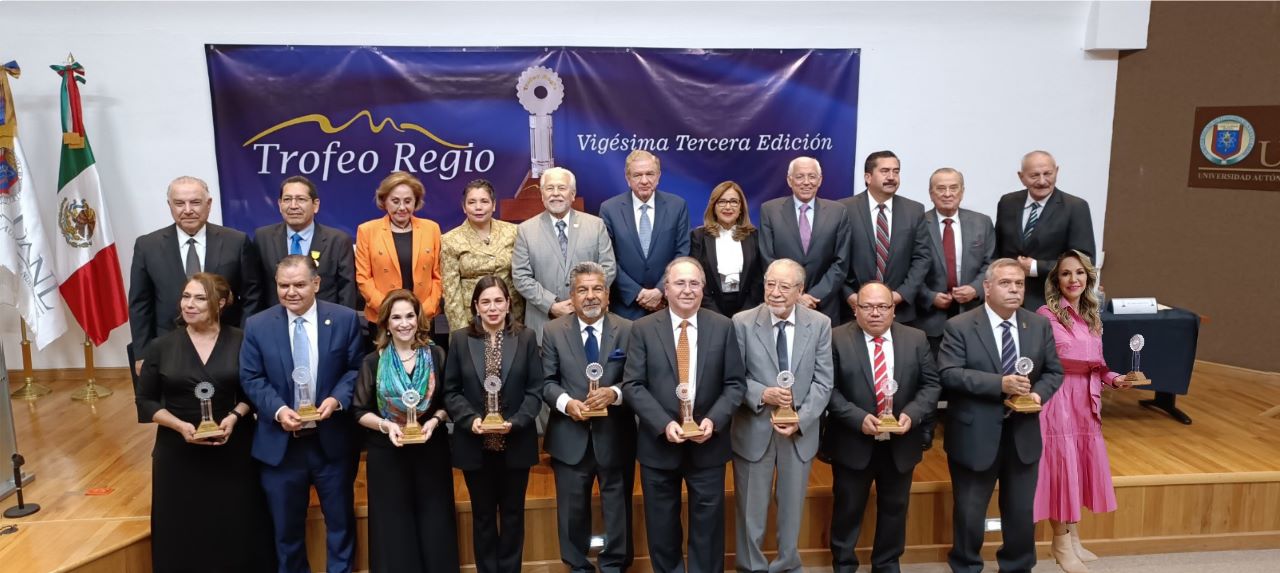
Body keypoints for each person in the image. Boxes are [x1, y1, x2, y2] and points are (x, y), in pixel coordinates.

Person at [135, 273, 275, 573]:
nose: (189, 304)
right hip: (178, 453)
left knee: (237, 523)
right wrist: (180, 426)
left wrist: (234, 417)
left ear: (220, 303)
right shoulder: (161, 346)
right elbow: (145, 401)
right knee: (183, 528)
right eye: (186, 297)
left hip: (233, 447)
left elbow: (254, 392)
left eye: (200, 298)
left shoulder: (242, 340)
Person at [240, 255, 365, 573]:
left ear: (316, 284)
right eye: (283, 285)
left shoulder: (344, 319)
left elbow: (355, 369)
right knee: (287, 533)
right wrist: (279, 410)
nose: (291, 292)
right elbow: (251, 377)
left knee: (340, 525)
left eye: (299, 284)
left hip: (331, 444)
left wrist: (336, 400)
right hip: (281, 447)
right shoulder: (257, 325)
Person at [939, 258, 1065, 573]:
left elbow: (1054, 371)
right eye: (1005, 283)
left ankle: (1017, 566)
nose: (1014, 290)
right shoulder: (960, 326)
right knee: (970, 512)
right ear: (987, 287)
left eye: (1019, 284)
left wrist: (1038, 395)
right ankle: (966, 566)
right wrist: (1000, 384)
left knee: (1021, 511)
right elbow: (949, 373)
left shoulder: (1038, 325)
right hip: (975, 434)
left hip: (1022, 433)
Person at [622, 257, 745, 573]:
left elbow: (735, 384)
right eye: (680, 283)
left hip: (708, 444)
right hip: (659, 445)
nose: (687, 290)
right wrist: (663, 424)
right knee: (662, 527)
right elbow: (633, 385)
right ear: (666, 288)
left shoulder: (723, 326)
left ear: (703, 288)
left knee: (709, 528)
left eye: (694, 283)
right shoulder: (643, 329)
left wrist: (714, 420)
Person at [823, 281, 940, 573]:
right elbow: (828, 389)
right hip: (853, 441)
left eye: (882, 306)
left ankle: (887, 564)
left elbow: (930, 385)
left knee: (895, 508)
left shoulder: (916, 338)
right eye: (867, 306)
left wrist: (912, 414)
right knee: (847, 508)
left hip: (901, 441)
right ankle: (844, 564)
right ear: (856, 309)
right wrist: (857, 418)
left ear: (893, 309)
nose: (875, 313)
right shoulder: (836, 338)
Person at [729, 259, 833, 573]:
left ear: (800, 290)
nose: (774, 292)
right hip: (754, 428)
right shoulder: (742, 322)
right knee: (751, 509)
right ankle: (751, 567)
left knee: (791, 507)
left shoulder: (820, 324)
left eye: (784, 287)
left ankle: (788, 564)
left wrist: (801, 418)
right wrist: (763, 394)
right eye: (770, 284)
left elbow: (824, 381)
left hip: (798, 432)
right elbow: (734, 378)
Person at [1035, 250, 1131, 573]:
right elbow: (1054, 360)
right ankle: (1060, 543)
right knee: (1061, 470)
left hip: (1085, 402)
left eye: (1079, 273)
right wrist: (1093, 366)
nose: (1073, 279)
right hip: (1057, 398)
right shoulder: (1046, 315)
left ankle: (1073, 537)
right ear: (1056, 280)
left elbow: (1098, 365)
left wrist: (1116, 379)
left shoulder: (1092, 316)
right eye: (1066, 273)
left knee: (1076, 467)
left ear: (1088, 277)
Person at [351, 289, 459, 573]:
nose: (404, 323)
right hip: (388, 453)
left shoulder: (436, 354)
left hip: (431, 450)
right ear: (386, 323)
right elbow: (359, 411)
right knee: (394, 530)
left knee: (436, 525)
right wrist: (387, 426)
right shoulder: (373, 361)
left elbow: (448, 402)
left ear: (418, 318)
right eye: (396, 317)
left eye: (410, 316)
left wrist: (434, 422)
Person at [443, 276, 544, 573]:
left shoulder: (526, 338)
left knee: (513, 515)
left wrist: (515, 423)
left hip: (516, 442)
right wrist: (470, 420)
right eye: (485, 302)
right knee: (483, 517)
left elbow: (535, 391)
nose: (492, 308)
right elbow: (451, 391)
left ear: (508, 303)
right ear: (475, 306)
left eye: (498, 301)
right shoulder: (460, 339)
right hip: (475, 444)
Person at [541, 262, 636, 573]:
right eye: (582, 290)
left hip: (615, 435)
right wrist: (567, 403)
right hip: (570, 436)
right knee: (572, 512)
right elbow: (546, 382)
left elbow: (637, 380)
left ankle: (614, 566)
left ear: (608, 295)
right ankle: (578, 567)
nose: (590, 296)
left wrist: (614, 393)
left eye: (597, 289)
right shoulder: (553, 331)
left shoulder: (629, 329)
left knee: (618, 508)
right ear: (572, 296)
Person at [130, 175, 262, 378]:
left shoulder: (236, 241)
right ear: (169, 205)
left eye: (195, 202)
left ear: (208, 204)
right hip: (168, 345)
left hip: (225, 344)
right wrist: (142, 353)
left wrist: (244, 340)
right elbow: (140, 303)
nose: (188, 210)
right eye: (179, 203)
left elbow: (252, 295)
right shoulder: (147, 245)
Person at [913, 167, 995, 449]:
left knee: (969, 373)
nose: (947, 194)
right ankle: (926, 426)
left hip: (971, 313)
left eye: (953, 188)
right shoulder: (917, 223)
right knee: (929, 375)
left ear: (962, 190)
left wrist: (975, 288)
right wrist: (928, 296)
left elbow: (990, 264)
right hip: (930, 315)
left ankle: (964, 427)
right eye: (941, 188)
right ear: (930, 193)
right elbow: (908, 268)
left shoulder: (982, 222)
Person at [512, 166, 617, 343]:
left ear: (573, 194)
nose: (555, 193)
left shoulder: (596, 225)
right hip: (544, 324)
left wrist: (583, 299)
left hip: (590, 319)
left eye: (562, 188)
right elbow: (521, 276)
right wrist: (551, 305)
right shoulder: (525, 230)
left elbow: (608, 268)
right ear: (542, 195)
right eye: (549, 188)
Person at [994, 151, 1096, 310]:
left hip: (1050, 303)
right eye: (1034, 175)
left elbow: (1084, 261)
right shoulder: (1007, 203)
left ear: (1057, 171)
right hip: (1006, 301)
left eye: (1047, 174)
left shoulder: (1075, 207)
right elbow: (997, 249)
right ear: (1021, 177)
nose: (1042, 181)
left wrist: (1036, 267)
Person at [840, 151, 932, 325]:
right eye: (885, 171)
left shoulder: (914, 210)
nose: (891, 177)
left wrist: (901, 294)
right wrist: (849, 295)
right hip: (853, 309)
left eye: (896, 172)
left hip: (900, 311)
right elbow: (835, 258)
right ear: (868, 177)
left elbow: (922, 257)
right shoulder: (843, 209)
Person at [758, 156, 851, 324]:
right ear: (789, 180)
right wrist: (795, 295)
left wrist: (814, 295)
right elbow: (767, 257)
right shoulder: (770, 210)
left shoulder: (838, 212)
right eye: (800, 176)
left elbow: (841, 262)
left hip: (824, 305)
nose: (806, 182)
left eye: (812, 176)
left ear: (820, 180)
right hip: (782, 303)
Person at [599, 150, 691, 319]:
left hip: (666, 303)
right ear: (627, 178)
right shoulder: (609, 209)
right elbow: (608, 259)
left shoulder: (677, 206)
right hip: (625, 307)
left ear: (658, 176)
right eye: (637, 175)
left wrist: (661, 290)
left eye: (650, 174)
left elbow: (682, 253)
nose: (644, 180)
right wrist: (637, 293)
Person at [253, 175, 358, 310]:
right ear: (279, 205)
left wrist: (342, 322)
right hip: (276, 319)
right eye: (287, 199)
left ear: (315, 205)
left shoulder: (338, 240)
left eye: (301, 199)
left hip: (325, 319)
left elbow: (347, 292)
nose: (293, 206)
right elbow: (255, 289)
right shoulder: (263, 238)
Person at [355, 171, 444, 328]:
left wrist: (424, 311)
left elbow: (439, 276)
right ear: (384, 201)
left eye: (408, 201)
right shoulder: (367, 231)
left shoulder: (432, 229)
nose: (402, 207)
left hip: (424, 317)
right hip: (383, 318)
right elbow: (363, 279)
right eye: (395, 201)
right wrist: (390, 311)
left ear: (416, 201)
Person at [440, 178, 524, 330]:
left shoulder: (513, 232)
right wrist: (462, 333)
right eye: (472, 202)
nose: (478, 207)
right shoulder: (450, 240)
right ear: (464, 207)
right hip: (471, 321)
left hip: (511, 316)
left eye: (484, 201)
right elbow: (451, 293)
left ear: (494, 205)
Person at [690, 180, 763, 317]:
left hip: (747, 309)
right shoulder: (698, 236)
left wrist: (745, 313)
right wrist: (715, 314)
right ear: (713, 206)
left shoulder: (754, 236)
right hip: (709, 308)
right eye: (722, 202)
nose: (728, 207)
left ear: (741, 207)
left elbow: (758, 278)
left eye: (734, 202)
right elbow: (696, 277)